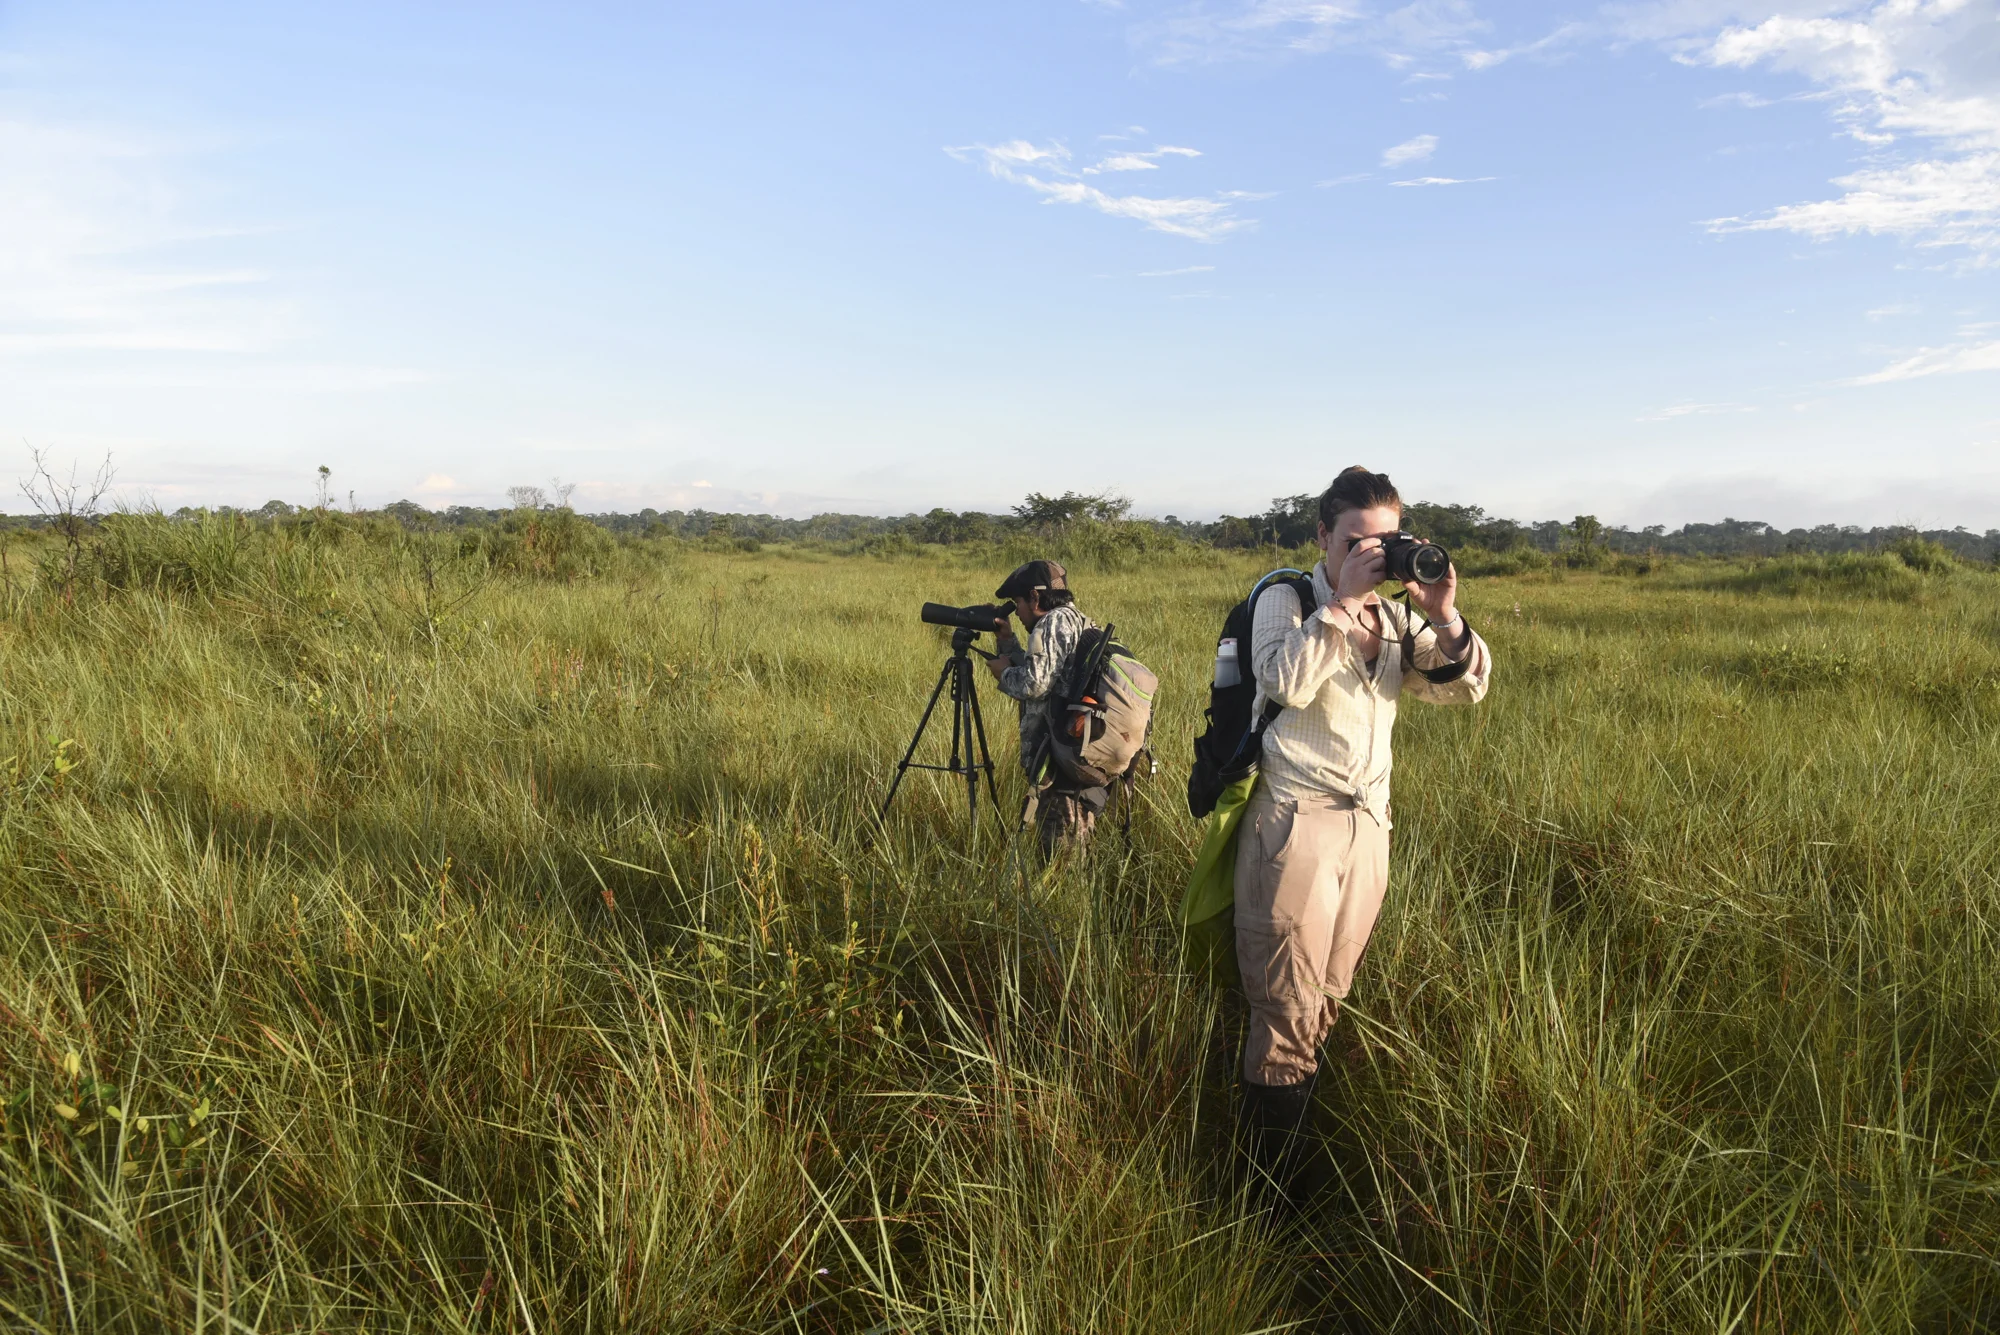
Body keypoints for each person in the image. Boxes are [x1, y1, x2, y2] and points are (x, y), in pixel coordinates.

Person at [1235, 465, 1492, 1202]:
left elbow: (1469, 684)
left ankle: (1293, 1166)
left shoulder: (1396, 618)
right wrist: (1342, 603)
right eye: (1358, 541)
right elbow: (1282, 681)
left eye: (1389, 541)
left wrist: (1442, 612)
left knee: (1327, 1003)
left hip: (1369, 827)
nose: (1375, 557)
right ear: (1324, 536)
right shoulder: (1287, 598)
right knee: (1285, 1011)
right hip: (1295, 823)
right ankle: (1270, 1204)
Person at [984, 559, 1104, 854]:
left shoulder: (1052, 622)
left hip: (1059, 761)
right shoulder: (1076, 620)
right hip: (1075, 756)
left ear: (1035, 597)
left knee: (1062, 854)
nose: (1019, 612)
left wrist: (1003, 674)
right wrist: (1008, 643)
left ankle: (1064, 899)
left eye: (1018, 603)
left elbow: (1034, 685)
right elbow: (1049, 673)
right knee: (1073, 839)